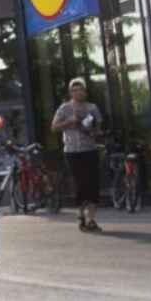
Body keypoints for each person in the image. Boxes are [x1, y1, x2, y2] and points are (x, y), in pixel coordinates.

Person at [51, 78, 104, 232]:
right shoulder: (64, 108)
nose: (78, 92)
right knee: (80, 184)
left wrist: (93, 130)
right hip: (72, 151)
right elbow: (54, 127)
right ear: (70, 92)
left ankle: (92, 219)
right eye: (74, 90)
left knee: (93, 184)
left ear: (85, 91)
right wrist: (69, 122)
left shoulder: (92, 108)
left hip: (90, 149)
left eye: (80, 89)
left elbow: (99, 129)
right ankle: (81, 216)